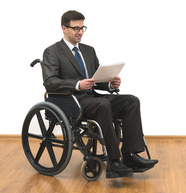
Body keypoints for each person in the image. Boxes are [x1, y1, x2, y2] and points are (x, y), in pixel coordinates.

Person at [42, 10, 158, 178]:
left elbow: (95, 79)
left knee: (131, 101)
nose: (80, 32)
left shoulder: (89, 51)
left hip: (92, 97)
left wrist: (109, 83)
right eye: (75, 28)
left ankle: (130, 155)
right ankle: (113, 162)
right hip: (71, 101)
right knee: (102, 105)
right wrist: (77, 85)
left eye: (82, 28)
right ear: (64, 28)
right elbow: (50, 82)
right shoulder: (52, 52)